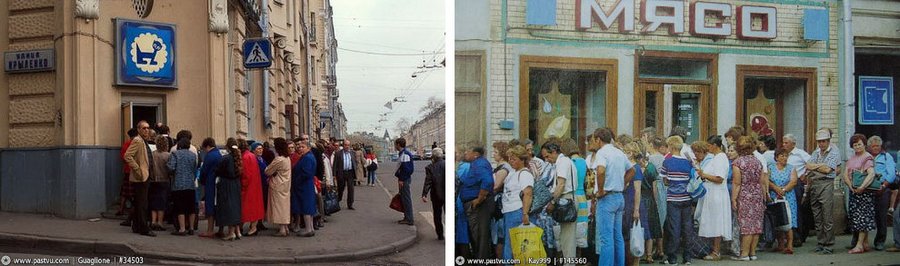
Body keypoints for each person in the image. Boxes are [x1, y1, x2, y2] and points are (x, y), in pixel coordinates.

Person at [590, 128, 634, 266]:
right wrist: (623, 183)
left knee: (606, 239)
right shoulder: (618, 152)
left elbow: (601, 171)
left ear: (598, 140)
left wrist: (601, 190)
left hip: (607, 197)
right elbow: (632, 170)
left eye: (593, 140)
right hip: (619, 196)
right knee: (617, 237)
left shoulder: (602, 153)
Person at [659, 136, 694, 265]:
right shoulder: (687, 162)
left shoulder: (667, 162)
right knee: (687, 227)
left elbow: (665, 180)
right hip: (687, 197)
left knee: (674, 228)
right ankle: (687, 257)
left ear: (671, 147)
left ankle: (672, 257)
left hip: (673, 198)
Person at [731, 136, 767, 261]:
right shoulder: (758, 161)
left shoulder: (738, 162)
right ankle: (753, 253)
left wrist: (733, 199)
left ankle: (744, 254)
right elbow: (762, 181)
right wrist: (764, 197)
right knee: (756, 225)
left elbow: (737, 183)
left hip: (745, 195)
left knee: (746, 226)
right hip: (757, 194)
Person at [697, 135, 733, 261]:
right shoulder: (715, 158)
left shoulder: (720, 158)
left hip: (717, 193)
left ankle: (716, 251)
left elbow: (719, 178)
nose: (707, 148)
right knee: (712, 220)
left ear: (715, 145)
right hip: (711, 192)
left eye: (709, 145)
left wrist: (704, 174)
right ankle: (714, 249)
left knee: (717, 221)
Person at [805, 129, 840, 254]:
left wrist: (816, 166)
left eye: (823, 141)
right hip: (815, 184)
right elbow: (808, 165)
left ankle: (829, 244)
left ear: (828, 141)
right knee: (817, 216)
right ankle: (820, 242)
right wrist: (820, 166)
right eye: (819, 142)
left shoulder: (834, 152)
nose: (821, 144)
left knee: (827, 216)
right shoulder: (816, 152)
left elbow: (828, 170)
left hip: (826, 183)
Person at [542, 141, 577, 264]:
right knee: (565, 237)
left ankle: (569, 263)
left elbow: (561, 184)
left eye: (548, 156)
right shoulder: (565, 161)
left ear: (555, 152)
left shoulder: (562, 162)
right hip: (567, 198)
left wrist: (552, 201)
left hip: (566, 198)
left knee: (567, 239)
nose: (547, 160)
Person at [499, 145, 534, 260]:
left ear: (522, 160)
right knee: (509, 242)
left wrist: (525, 213)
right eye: (509, 158)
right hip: (508, 210)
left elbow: (528, 194)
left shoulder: (524, 174)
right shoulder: (513, 172)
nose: (511, 161)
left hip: (516, 211)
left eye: (514, 159)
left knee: (513, 244)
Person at [844, 134, 878, 254]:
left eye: (859, 144)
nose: (857, 146)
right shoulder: (852, 158)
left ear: (864, 144)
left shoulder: (867, 157)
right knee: (856, 217)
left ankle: (859, 245)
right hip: (854, 192)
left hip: (864, 193)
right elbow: (845, 174)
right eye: (855, 145)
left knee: (862, 218)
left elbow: (871, 174)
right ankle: (865, 243)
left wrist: (862, 187)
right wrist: (851, 187)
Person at [461, 142, 495, 259]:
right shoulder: (476, 163)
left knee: (480, 237)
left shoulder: (479, 164)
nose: (465, 153)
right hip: (476, 204)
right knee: (477, 236)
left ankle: (482, 261)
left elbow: (488, 181)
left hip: (479, 206)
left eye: (467, 151)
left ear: (475, 154)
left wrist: (479, 199)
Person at [123, 121, 156, 237]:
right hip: (141, 176)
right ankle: (144, 228)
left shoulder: (143, 141)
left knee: (139, 202)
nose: (146, 130)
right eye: (143, 128)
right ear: (138, 130)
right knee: (142, 203)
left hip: (145, 175)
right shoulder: (137, 140)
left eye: (147, 128)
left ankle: (136, 225)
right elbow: (127, 156)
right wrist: (138, 169)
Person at [867, 136, 896, 251]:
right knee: (864, 216)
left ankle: (880, 241)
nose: (875, 148)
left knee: (881, 217)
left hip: (882, 189)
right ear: (869, 147)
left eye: (877, 146)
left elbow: (892, 174)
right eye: (873, 146)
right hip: (867, 189)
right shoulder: (866, 157)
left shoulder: (886, 157)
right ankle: (860, 242)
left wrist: (884, 186)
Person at [768, 148, 800, 254]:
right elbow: (767, 180)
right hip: (775, 195)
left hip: (788, 196)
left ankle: (789, 245)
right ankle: (780, 244)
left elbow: (794, 181)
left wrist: (783, 189)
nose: (784, 158)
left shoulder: (791, 168)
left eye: (786, 156)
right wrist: (775, 188)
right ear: (776, 158)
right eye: (782, 156)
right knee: (778, 221)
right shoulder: (771, 168)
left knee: (788, 220)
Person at [622, 142, 648, 266]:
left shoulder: (636, 168)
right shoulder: (628, 167)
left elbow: (638, 190)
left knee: (635, 234)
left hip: (632, 202)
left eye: (625, 151)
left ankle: (635, 262)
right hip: (626, 201)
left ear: (630, 153)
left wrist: (636, 209)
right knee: (628, 234)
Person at [167, 138, 199, 235]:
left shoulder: (175, 154)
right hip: (190, 184)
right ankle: (192, 228)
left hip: (178, 184)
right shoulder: (193, 155)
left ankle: (182, 229)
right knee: (191, 207)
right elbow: (195, 168)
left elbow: (171, 167)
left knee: (180, 207)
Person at [216, 138, 243, 241]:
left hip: (226, 184)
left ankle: (231, 233)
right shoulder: (238, 158)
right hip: (236, 184)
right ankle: (237, 232)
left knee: (228, 207)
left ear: (227, 146)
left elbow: (218, 170)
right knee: (235, 207)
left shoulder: (226, 158)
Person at [266, 138, 292, 237]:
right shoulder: (287, 158)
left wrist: (273, 172)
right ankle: (285, 227)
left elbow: (267, 171)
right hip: (286, 185)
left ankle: (282, 229)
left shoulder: (278, 159)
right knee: (284, 207)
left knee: (279, 207)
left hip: (277, 185)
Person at [198, 138, 223, 238]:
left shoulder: (210, 156)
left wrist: (202, 181)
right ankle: (220, 229)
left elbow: (204, 171)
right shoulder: (219, 154)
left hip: (210, 183)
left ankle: (210, 230)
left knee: (210, 206)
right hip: (219, 183)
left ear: (207, 146)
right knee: (219, 206)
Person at [238, 140, 265, 236]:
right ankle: (253, 227)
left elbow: (246, 174)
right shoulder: (251, 156)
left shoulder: (245, 157)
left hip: (248, 186)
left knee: (245, 208)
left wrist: (242, 185)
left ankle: (243, 228)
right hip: (255, 185)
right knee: (255, 207)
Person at [293, 140, 318, 237]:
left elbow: (306, 173)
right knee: (308, 207)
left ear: (308, 148)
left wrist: (297, 181)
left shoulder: (307, 158)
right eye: (299, 147)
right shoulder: (308, 156)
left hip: (304, 185)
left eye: (303, 147)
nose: (300, 148)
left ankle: (308, 229)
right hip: (306, 185)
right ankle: (310, 228)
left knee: (306, 207)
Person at [149, 136, 172, 232]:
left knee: (154, 202)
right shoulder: (168, 155)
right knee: (162, 202)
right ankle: (160, 222)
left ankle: (153, 221)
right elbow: (170, 169)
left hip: (153, 180)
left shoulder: (152, 154)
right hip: (164, 180)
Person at [422, 148, 446, 240]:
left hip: (436, 194)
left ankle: (440, 235)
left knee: (437, 215)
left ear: (433, 156)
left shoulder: (430, 167)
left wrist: (424, 194)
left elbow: (428, 181)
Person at [117, 128, 139, 218]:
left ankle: (121, 209)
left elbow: (123, 158)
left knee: (124, 191)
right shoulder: (137, 144)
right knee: (134, 193)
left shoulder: (126, 144)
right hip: (135, 171)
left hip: (127, 170)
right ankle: (132, 212)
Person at [332, 140, 358, 210]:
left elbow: (355, 162)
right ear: (343, 145)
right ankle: (338, 201)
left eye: (348, 145)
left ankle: (350, 204)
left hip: (350, 173)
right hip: (341, 173)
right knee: (340, 188)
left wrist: (355, 170)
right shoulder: (338, 153)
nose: (347, 146)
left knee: (351, 189)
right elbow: (335, 165)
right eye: (346, 145)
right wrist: (334, 174)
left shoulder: (353, 153)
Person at [395, 138, 416, 225]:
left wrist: (401, 179)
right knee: (404, 198)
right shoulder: (403, 153)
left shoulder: (405, 154)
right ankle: (407, 217)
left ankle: (409, 219)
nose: (395, 146)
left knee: (406, 199)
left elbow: (406, 169)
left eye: (395, 144)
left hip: (404, 180)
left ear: (399, 145)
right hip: (403, 179)